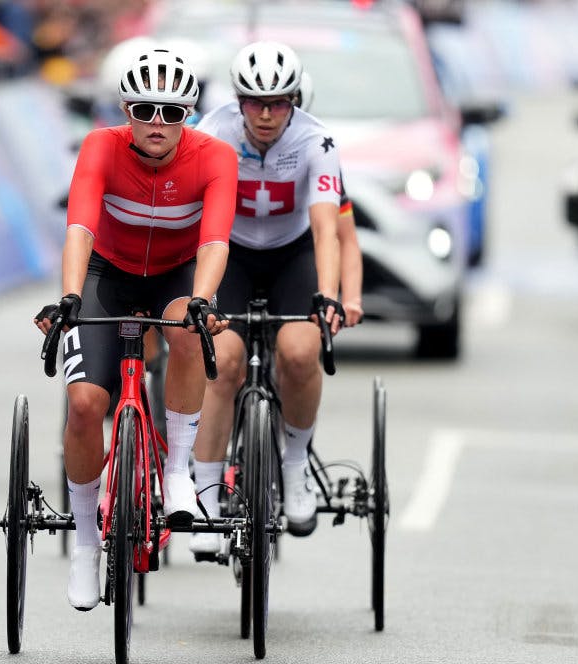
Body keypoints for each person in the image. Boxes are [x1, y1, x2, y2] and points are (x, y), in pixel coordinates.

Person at [33, 47, 238, 611]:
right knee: (82, 406)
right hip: (107, 273)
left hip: (176, 274)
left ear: (188, 115)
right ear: (127, 108)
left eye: (171, 113)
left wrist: (201, 300)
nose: (156, 123)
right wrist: (71, 296)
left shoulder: (215, 157)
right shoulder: (101, 146)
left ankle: (177, 471)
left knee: (188, 330)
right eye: (145, 109)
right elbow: (79, 226)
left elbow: (215, 241)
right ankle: (85, 543)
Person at [189, 41, 345, 554]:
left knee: (300, 353)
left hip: (291, 254)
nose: (265, 114)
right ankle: (207, 491)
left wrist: (327, 295)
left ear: (294, 101)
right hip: (228, 252)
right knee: (223, 360)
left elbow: (327, 228)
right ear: (237, 100)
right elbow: (193, 218)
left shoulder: (317, 141)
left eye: (279, 102)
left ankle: (295, 465)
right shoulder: (210, 133)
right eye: (254, 102)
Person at [296, 70, 363, 328]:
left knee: (298, 352)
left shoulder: (320, 155)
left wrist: (352, 298)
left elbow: (344, 237)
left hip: (297, 256)